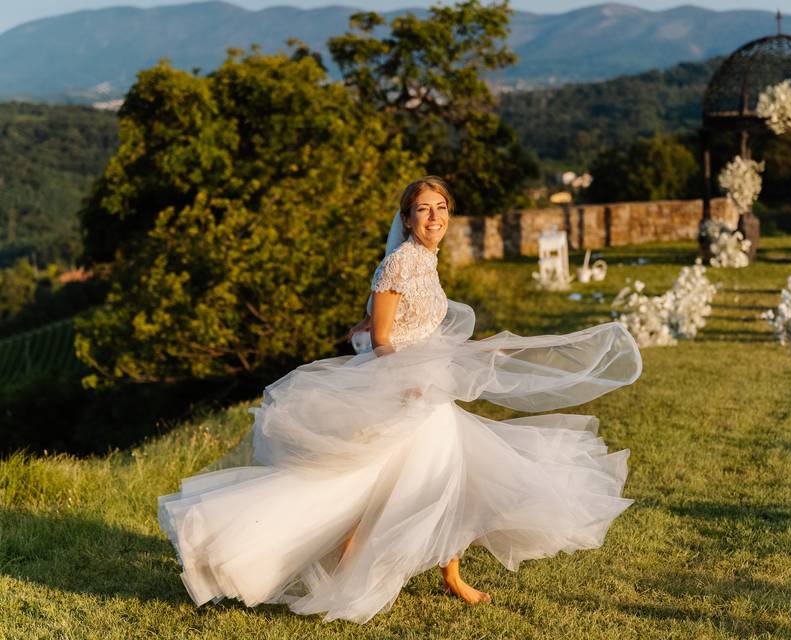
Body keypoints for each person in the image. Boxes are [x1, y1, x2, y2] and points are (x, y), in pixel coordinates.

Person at [157, 175, 642, 624]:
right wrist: (401, 373)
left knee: (453, 476)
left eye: (441, 207)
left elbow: (394, 322)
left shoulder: (425, 261)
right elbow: (387, 338)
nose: (434, 217)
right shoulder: (399, 262)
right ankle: (278, 553)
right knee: (369, 489)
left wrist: (389, 333)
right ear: (406, 218)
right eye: (423, 209)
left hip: (429, 389)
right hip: (403, 391)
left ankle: (451, 574)